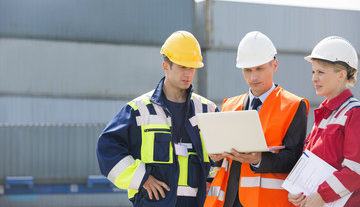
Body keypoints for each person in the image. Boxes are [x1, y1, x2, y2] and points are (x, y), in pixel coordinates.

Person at [96, 30, 218, 207]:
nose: (188, 74)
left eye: (192, 67)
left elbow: (222, 158)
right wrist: (142, 178)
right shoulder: (140, 110)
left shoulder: (208, 110)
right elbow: (107, 149)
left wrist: (211, 181)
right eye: (182, 66)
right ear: (165, 66)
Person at [204, 31, 309, 207]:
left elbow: (294, 159)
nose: (253, 77)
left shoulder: (294, 105)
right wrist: (215, 157)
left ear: (274, 65)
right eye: (248, 70)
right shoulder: (229, 105)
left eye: (259, 69)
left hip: (267, 202)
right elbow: (220, 163)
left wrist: (258, 159)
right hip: (227, 200)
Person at [288, 36, 360, 207]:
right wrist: (296, 189)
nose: (314, 78)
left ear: (341, 75)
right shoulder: (324, 113)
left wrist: (322, 195)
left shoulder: (354, 112)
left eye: (320, 72)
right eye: (313, 72)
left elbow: (356, 170)